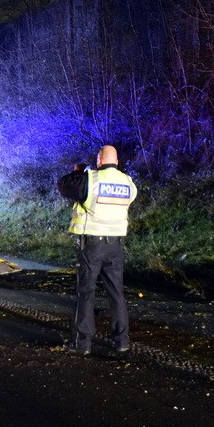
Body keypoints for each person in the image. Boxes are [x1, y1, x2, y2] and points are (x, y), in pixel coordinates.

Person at [64, 145, 137, 355]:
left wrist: (78, 171)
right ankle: (122, 341)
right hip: (115, 246)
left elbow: (65, 186)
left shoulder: (92, 179)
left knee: (86, 292)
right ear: (118, 160)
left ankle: (83, 344)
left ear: (99, 159)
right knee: (117, 294)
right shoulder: (129, 183)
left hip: (92, 246)